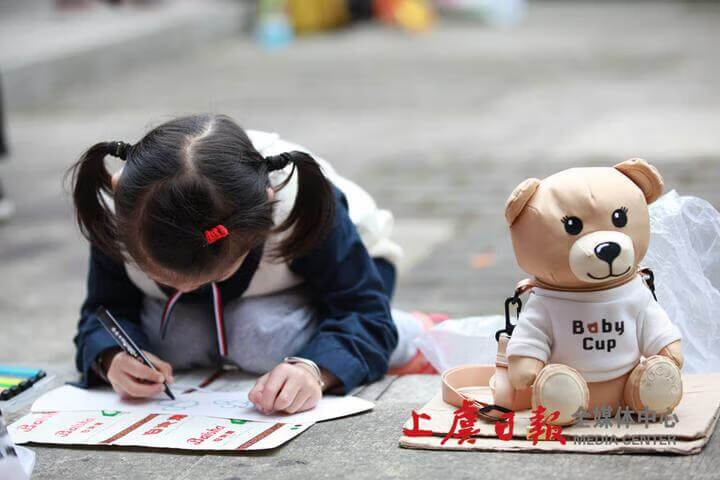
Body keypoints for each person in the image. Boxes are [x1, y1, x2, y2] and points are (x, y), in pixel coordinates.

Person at [69, 114, 434, 415]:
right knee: (175, 342)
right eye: (161, 277)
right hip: (229, 299)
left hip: (345, 277)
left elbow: (361, 307)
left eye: (213, 276)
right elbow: (104, 311)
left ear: (264, 212)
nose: (184, 290)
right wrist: (112, 357)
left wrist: (315, 370)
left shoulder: (300, 207)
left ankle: (412, 333)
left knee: (260, 337)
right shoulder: (127, 212)